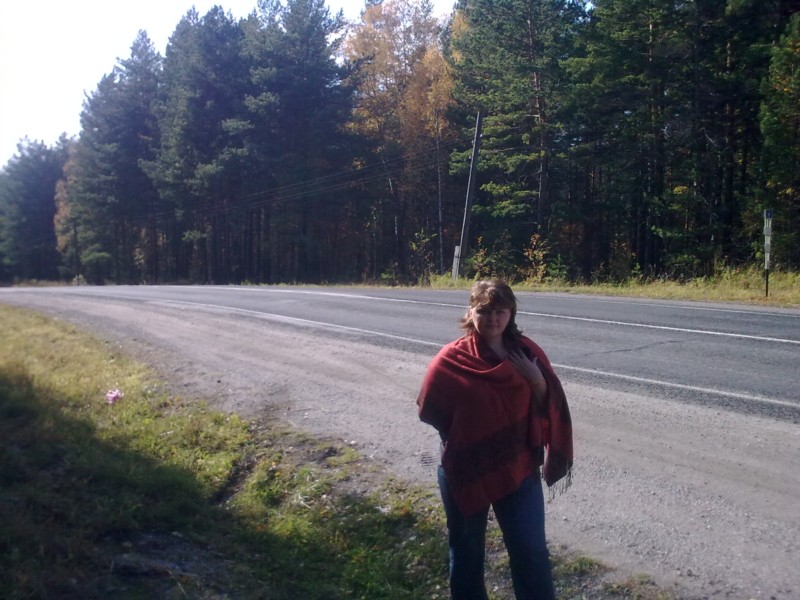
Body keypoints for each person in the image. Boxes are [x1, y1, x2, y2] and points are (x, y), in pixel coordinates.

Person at [417, 279, 573, 600]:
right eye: (484, 310)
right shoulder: (452, 358)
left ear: (511, 313)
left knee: (531, 552)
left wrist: (537, 382)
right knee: (466, 553)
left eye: (500, 311)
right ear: (470, 312)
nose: (493, 318)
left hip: (519, 468)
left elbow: (550, 405)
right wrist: (469, 440)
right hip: (465, 468)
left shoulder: (526, 352)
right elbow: (431, 407)